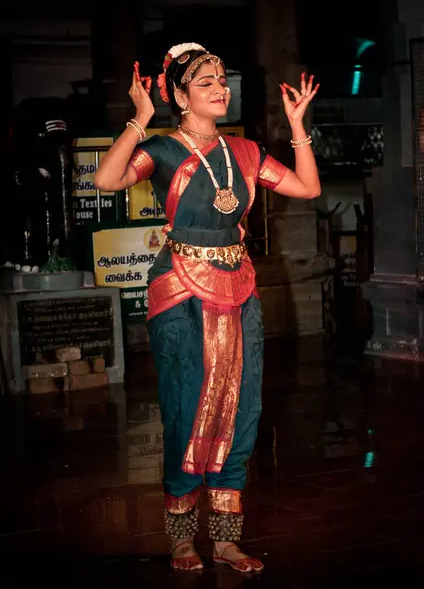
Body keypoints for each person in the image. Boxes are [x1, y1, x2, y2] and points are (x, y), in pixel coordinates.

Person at [95, 42, 321, 574]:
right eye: (206, 82)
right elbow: (106, 180)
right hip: (180, 289)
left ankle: (224, 539)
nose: (221, 88)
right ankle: (179, 535)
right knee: (187, 402)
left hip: (238, 286)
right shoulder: (164, 150)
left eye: (223, 79)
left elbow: (308, 187)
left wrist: (297, 125)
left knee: (242, 406)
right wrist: (139, 118)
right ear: (179, 95)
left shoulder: (245, 152)